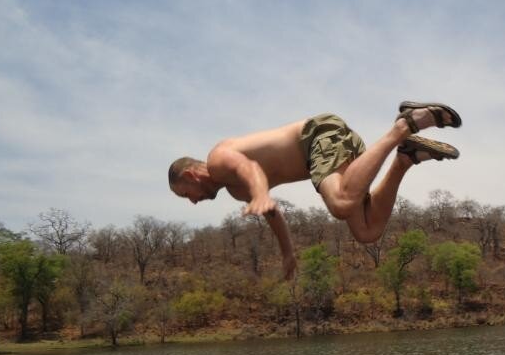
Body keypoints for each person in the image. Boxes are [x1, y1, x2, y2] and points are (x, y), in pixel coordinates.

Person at [168, 101, 462, 279]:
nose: (192, 202)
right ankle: (405, 157)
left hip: (317, 136)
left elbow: (249, 168)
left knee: (341, 204)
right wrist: (287, 254)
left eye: (185, 194)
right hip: (321, 160)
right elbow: (272, 214)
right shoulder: (235, 191)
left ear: (192, 175)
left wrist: (259, 193)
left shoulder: (217, 159)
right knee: (367, 232)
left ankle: (405, 124)